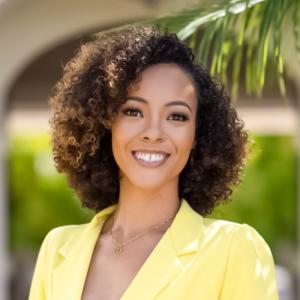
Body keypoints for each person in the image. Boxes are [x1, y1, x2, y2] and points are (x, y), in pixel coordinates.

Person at [28, 25, 279, 300]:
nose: (153, 132)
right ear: (105, 122)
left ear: (198, 134)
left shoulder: (233, 248)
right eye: (134, 111)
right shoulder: (58, 249)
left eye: (177, 116)